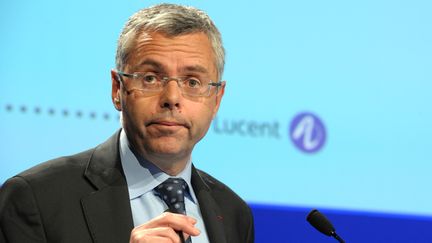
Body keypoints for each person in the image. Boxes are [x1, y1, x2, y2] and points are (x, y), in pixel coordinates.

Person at [0, 3, 254, 243]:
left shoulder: (234, 214)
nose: (172, 98)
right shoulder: (35, 199)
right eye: (151, 78)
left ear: (216, 99)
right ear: (117, 89)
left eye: (192, 82)